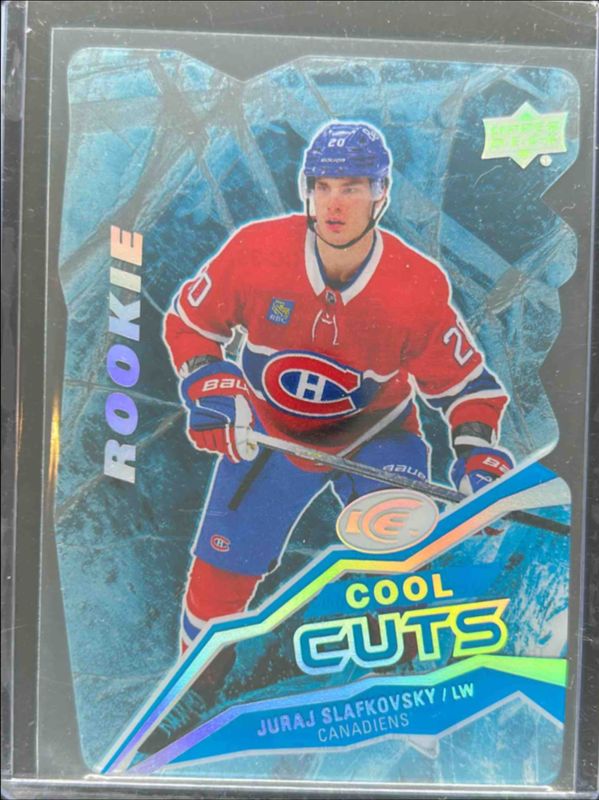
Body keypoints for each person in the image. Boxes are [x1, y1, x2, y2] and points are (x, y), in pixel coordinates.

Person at [163, 121, 512, 654]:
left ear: (381, 194)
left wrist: (477, 454)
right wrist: (211, 384)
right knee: (218, 578)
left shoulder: (414, 285)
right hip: (270, 430)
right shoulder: (257, 251)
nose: (333, 203)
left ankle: (399, 668)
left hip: (376, 436)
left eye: (351, 187)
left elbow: (466, 388)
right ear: (306, 190)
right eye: (322, 186)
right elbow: (191, 323)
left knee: (400, 561)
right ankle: (197, 685)